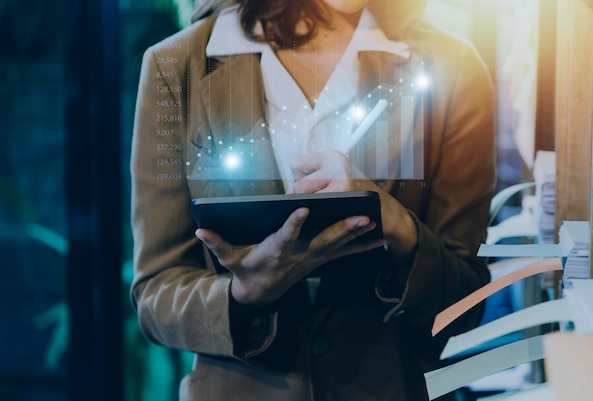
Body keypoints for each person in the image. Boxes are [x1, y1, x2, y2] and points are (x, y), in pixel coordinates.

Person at [130, 0, 495, 400]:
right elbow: (156, 296)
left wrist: (400, 227)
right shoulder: (179, 66)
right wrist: (244, 294)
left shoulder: (452, 67)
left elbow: (466, 305)